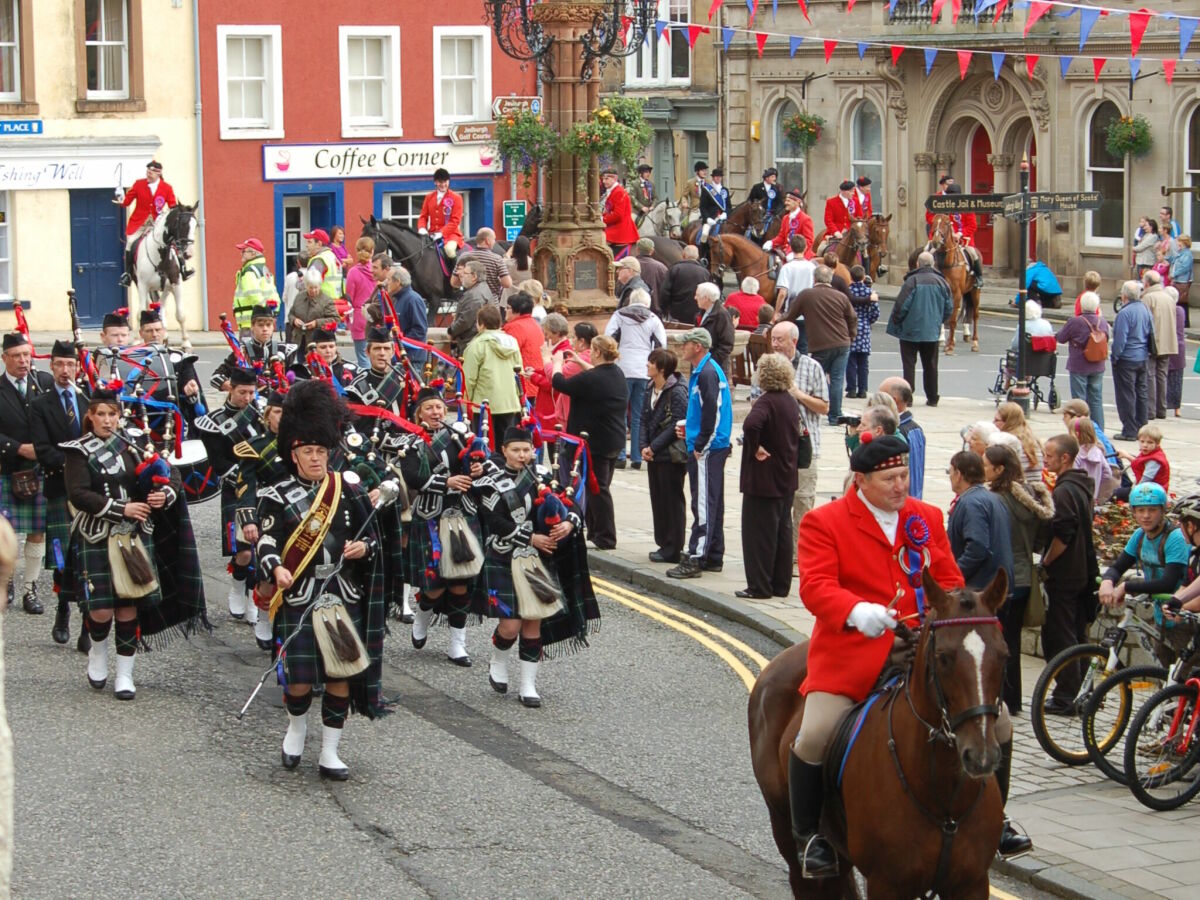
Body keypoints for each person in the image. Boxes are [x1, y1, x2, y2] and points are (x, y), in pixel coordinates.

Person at [791, 432, 1033, 872]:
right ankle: (810, 838)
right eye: (890, 479)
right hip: (854, 650)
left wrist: (958, 612)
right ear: (861, 481)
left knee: (998, 723)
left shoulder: (924, 516)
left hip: (923, 648)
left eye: (904, 475)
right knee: (814, 735)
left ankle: (996, 820)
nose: (901, 486)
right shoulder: (824, 522)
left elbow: (948, 578)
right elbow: (815, 586)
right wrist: (855, 610)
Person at [255, 380, 385, 778]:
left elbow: (373, 539)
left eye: (321, 451)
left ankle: (330, 752)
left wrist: (364, 549)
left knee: (340, 675)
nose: (316, 459)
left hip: (341, 593)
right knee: (298, 680)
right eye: (308, 452)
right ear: (294, 455)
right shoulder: (275, 495)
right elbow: (266, 540)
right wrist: (276, 568)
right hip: (299, 596)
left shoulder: (345, 491)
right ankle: (296, 729)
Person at [63, 386, 183, 699]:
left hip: (132, 535)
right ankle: (98, 653)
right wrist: (122, 508)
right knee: (101, 611)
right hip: (96, 532)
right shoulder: (78, 450)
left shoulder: (135, 443)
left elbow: (171, 474)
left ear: (119, 416)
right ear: (90, 416)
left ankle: (125, 675)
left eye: (111, 414)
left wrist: (163, 494)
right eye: (100, 414)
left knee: (128, 607)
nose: (106, 420)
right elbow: (78, 493)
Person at [473, 426, 599, 707]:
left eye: (527, 450)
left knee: (533, 621)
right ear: (504, 450)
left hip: (537, 560)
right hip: (504, 556)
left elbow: (573, 507)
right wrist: (530, 537)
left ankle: (528, 685)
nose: (522, 455)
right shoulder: (489, 482)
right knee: (510, 625)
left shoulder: (543, 477)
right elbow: (494, 522)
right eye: (516, 450)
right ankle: (499, 657)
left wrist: (569, 523)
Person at [983, 444, 1054, 714]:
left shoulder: (997, 500)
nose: (983, 468)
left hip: (1004, 578)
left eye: (987, 464)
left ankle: (1002, 698)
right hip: (1025, 576)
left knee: (999, 641)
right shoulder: (1031, 495)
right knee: (1012, 639)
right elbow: (1040, 541)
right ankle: (1013, 699)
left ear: (1000, 469)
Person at [195, 367, 267, 623]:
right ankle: (238, 586)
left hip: (266, 487)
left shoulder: (262, 415)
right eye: (242, 392)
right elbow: (218, 462)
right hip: (236, 487)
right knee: (244, 552)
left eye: (251, 392)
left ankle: (253, 599)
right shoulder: (213, 422)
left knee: (263, 548)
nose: (248, 398)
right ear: (231, 389)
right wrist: (246, 474)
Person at [29, 341, 88, 646]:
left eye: (71, 365)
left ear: (77, 367)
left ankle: (87, 625)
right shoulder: (40, 405)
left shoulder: (88, 400)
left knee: (88, 558)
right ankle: (63, 609)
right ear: (50, 366)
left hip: (88, 492)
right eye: (60, 365)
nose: (66, 371)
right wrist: (77, 465)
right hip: (58, 488)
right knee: (64, 558)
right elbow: (42, 450)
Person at [1039, 434, 1099, 716]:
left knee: (1061, 634)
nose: (1045, 459)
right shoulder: (1081, 485)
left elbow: (1064, 533)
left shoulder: (1064, 491)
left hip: (1065, 574)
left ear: (1065, 458)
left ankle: (1066, 695)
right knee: (1077, 632)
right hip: (1081, 571)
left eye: (1049, 455)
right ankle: (1086, 691)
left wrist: (1046, 563)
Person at [667, 329, 732, 579]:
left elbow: (712, 413)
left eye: (685, 345)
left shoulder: (706, 373)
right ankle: (713, 554)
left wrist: (700, 444)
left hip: (708, 448)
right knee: (712, 500)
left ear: (697, 346)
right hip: (710, 445)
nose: (682, 349)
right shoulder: (706, 370)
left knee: (703, 502)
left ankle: (696, 556)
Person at [551, 336, 627, 550]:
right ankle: (595, 531)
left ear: (597, 352)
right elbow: (594, 374)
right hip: (613, 439)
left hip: (597, 441)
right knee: (598, 488)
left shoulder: (592, 379)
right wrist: (579, 361)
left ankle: (606, 537)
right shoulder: (616, 373)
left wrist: (556, 362)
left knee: (598, 488)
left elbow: (560, 383)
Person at [737, 353, 800, 599]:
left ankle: (759, 587)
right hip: (786, 477)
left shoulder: (766, 402)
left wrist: (754, 448)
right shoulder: (789, 400)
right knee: (782, 531)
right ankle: (780, 585)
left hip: (763, 480)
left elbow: (751, 425)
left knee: (759, 535)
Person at [0, 332, 54, 613]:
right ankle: (5, 579)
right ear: (4, 358)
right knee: (3, 533)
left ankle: (30, 589)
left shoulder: (43, 383)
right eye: (17, 356)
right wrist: (18, 447)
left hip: (39, 469)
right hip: (7, 468)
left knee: (37, 532)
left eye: (27, 355)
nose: (23, 361)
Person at [756, 322, 827, 533]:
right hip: (774, 448)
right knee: (775, 503)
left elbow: (824, 407)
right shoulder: (764, 366)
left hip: (805, 447)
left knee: (803, 501)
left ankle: (799, 552)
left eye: (780, 340)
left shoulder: (811, 366)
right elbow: (754, 403)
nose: (775, 344)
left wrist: (799, 395)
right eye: (773, 339)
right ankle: (780, 551)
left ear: (794, 341)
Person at [783, 266, 856, 425]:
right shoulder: (841, 296)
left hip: (821, 344)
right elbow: (852, 317)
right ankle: (835, 415)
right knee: (837, 379)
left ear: (814, 279)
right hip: (843, 342)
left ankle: (807, 408)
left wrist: (776, 322)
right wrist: (851, 335)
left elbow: (790, 316)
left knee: (812, 377)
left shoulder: (806, 295)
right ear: (830, 279)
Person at [1099, 483, 1187, 609]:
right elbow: (1118, 567)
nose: (1146, 516)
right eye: (1141, 510)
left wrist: (1126, 586)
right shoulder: (1140, 535)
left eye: (1152, 510)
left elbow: (1168, 583)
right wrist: (1107, 581)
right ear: (1134, 512)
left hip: (1182, 611)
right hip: (1161, 610)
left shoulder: (1175, 537)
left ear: (1162, 510)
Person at [605, 288, 666, 469]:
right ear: (647, 303)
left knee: (620, 413)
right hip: (644, 369)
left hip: (622, 368)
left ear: (630, 301)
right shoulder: (653, 319)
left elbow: (608, 338)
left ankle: (620, 455)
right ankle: (638, 456)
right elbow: (661, 345)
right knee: (639, 415)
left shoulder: (619, 315)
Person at [641, 348, 689, 564]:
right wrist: (643, 445)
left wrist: (654, 447)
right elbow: (643, 419)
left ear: (661, 368)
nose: (647, 365)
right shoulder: (649, 387)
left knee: (672, 501)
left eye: (651, 363)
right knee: (658, 500)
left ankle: (673, 547)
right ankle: (663, 543)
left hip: (670, 456)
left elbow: (676, 425)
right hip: (654, 454)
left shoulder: (677, 391)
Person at [887, 251, 952, 407]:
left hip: (910, 330)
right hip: (931, 331)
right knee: (931, 365)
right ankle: (932, 397)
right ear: (933, 264)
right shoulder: (942, 282)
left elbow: (901, 305)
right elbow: (949, 308)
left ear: (917, 264)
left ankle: (907, 398)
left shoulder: (912, 281)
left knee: (909, 364)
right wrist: (938, 321)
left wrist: (897, 321)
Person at [948, 450, 1014, 596]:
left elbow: (977, 548)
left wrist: (953, 576)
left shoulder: (970, 503)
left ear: (959, 475)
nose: (950, 477)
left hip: (981, 592)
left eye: (950, 472)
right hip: (995, 586)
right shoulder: (993, 498)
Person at [462, 305, 523, 439]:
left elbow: (468, 379)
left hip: (484, 405)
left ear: (481, 324)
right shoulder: (512, 342)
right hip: (510, 403)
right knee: (507, 445)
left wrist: (466, 404)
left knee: (486, 448)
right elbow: (520, 374)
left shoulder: (476, 345)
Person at [117, 160, 179, 287]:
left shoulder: (167, 188)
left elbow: (173, 206)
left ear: (158, 173)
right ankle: (128, 274)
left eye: (151, 173)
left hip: (156, 223)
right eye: (147, 172)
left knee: (172, 242)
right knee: (130, 243)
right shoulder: (139, 184)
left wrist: (170, 216)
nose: (148, 175)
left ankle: (182, 269)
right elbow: (126, 202)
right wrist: (121, 198)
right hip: (139, 223)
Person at [1056, 291, 1110, 430]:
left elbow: (1061, 337)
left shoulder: (1075, 321)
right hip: (1098, 365)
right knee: (1096, 400)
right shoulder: (1102, 321)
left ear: (1081, 305)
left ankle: (1079, 430)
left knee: (1079, 402)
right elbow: (1107, 338)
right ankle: (1098, 431)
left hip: (1079, 365)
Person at [212, 304, 294, 392]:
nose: (265, 329)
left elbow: (296, 378)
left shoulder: (285, 350)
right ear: (252, 327)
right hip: (248, 401)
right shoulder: (242, 351)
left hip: (277, 402)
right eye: (260, 325)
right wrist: (233, 387)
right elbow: (215, 377)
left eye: (268, 325)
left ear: (273, 327)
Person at [1110, 279, 1154, 439]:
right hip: (1142, 357)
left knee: (1126, 395)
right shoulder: (1145, 309)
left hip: (1127, 359)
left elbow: (1120, 340)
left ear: (1124, 296)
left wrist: (1115, 357)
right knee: (1141, 392)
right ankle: (1142, 427)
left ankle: (1129, 430)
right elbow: (1151, 332)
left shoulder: (1124, 313)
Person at [879, 377, 925, 500]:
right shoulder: (916, 428)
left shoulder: (897, 432)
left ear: (893, 400)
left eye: (881, 397)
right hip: (915, 493)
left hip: (903, 497)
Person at [1141, 270, 1177, 420]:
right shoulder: (1168, 297)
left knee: (1150, 375)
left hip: (1153, 343)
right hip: (1168, 341)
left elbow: (1143, 322)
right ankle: (1161, 410)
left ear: (1147, 283)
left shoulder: (1148, 298)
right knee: (1162, 376)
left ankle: (1150, 411)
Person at [230, 237, 281, 336]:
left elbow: (253, 295)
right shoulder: (265, 269)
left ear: (253, 253)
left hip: (252, 323)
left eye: (244, 251)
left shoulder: (249, 271)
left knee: (248, 351)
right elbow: (274, 296)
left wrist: (261, 314)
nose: (241, 254)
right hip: (264, 323)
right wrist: (272, 314)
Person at [502, 291, 545, 403]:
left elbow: (505, 353)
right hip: (534, 381)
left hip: (522, 384)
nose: (505, 311)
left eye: (508, 308)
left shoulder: (514, 327)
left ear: (518, 311)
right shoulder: (533, 323)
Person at [845, 266, 878, 400]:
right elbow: (876, 312)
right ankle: (863, 389)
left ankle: (852, 389)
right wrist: (868, 321)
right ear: (864, 277)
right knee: (863, 361)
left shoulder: (847, 292)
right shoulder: (869, 292)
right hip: (864, 327)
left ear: (851, 277)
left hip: (850, 327)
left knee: (851, 360)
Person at [288, 268, 340, 352]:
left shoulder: (326, 300)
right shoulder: (299, 297)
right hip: (299, 340)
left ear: (320, 285)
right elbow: (291, 314)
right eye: (310, 287)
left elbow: (335, 319)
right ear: (306, 285)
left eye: (316, 287)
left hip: (317, 341)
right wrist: (294, 320)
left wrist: (316, 323)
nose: (313, 290)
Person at [343, 236, 376, 368]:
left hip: (358, 315)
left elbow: (349, 297)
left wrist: (346, 320)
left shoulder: (353, 273)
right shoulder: (376, 270)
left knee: (362, 356)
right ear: (372, 251)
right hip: (375, 315)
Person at [417, 167, 465, 259]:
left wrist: (441, 233)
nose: (443, 184)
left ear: (448, 181)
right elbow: (423, 216)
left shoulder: (456, 198)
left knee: (450, 251)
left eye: (445, 181)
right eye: (440, 182)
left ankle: (456, 273)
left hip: (451, 235)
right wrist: (422, 228)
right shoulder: (429, 197)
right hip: (432, 235)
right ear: (435, 182)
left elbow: (455, 221)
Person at [774, 236, 816, 338]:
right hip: (808, 314)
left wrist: (776, 312)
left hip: (791, 313)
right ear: (805, 248)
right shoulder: (812, 267)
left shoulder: (786, 268)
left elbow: (782, 293)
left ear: (791, 248)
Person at [448, 260, 493, 354]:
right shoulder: (482, 289)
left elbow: (465, 320)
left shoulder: (475, 295)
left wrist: (451, 330)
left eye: (465, 273)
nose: (461, 275)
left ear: (474, 276)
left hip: (470, 341)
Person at [387, 265, 429, 366]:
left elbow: (420, 330)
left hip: (412, 358)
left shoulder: (413, 300)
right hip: (401, 356)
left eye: (388, 280)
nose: (386, 283)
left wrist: (400, 344)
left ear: (398, 282)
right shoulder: (398, 299)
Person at [661, 245, 713, 324]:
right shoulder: (705, 272)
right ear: (698, 256)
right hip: (698, 314)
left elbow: (664, 292)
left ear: (683, 255)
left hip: (676, 314)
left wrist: (664, 309)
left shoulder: (675, 269)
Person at [993, 402, 1043, 484]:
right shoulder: (1034, 440)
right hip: (1036, 488)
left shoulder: (1008, 442)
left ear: (1008, 422)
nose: (993, 423)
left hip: (1019, 489)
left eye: (997, 420)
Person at [696, 282, 735, 375]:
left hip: (714, 367)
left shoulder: (722, 315)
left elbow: (727, 344)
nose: (695, 298)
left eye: (697, 295)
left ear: (706, 298)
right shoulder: (702, 313)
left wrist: (710, 361)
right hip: (702, 363)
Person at [764, 189, 815, 260]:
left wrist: (795, 253)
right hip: (786, 252)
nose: (786, 203)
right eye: (786, 200)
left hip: (802, 255)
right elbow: (781, 237)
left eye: (788, 201)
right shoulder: (785, 218)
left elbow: (809, 241)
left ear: (797, 202)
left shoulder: (806, 219)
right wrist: (771, 242)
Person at [601, 167, 639, 258]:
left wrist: (602, 219)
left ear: (615, 179)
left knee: (598, 241)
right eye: (603, 178)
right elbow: (610, 210)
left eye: (607, 178)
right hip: (615, 224)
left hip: (621, 228)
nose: (603, 181)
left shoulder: (619, 192)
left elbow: (618, 215)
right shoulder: (613, 191)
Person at [301, 229, 344, 310]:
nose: (306, 245)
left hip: (321, 305)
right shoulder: (332, 257)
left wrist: (299, 283)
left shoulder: (319, 260)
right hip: (336, 303)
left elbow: (310, 283)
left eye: (309, 242)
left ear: (319, 244)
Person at [697, 166, 731, 261]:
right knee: (704, 234)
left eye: (719, 176)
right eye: (716, 176)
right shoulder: (706, 189)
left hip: (722, 218)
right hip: (710, 218)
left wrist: (726, 214)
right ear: (713, 177)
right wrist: (707, 218)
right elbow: (702, 206)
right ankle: (703, 256)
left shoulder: (725, 190)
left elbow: (728, 206)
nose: (718, 178)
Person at [1167, 288, 1187, 417]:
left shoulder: (1170, 311)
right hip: (1180, 348)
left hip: (1169, 347)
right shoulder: (1180, 310)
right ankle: (1176, 408)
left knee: (1163, 378)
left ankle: (1165, 404)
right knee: (1177, 379)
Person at [634, 238, 668, 311]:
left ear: (637, 249)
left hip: (632, 308)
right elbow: (666, 289)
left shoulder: (630, 264)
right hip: (654, 309)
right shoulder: (661, 267)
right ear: (652, 251)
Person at [747, 168, 783, 236]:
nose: (774, 178)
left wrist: (776, 211)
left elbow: (780, 202)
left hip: (772, 215)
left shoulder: (776, 188)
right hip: (759, 216)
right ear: (766, 178)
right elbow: (750, 200)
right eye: (772, 177)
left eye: (775, 177)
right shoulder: (757, 187)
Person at [1167, 234, 1193, 327]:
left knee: (1182, 301)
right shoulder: (1180, 253)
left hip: (1183, 281)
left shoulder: (1187, 254)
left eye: (1179, 241)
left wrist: (1174, 274)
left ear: (1184, 243)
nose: (1177, 243)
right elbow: (1171, 260)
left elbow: (1184, 267)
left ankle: (1185, 322)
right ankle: (1181, 321)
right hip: (1177, 280)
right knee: (1179, 301)